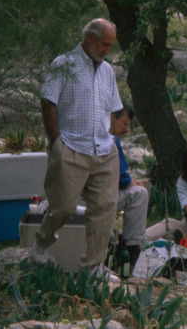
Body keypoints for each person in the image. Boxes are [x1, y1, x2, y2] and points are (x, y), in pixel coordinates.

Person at [32, 18, 124, 282]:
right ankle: (41, 243)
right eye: (105, 44)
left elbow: (112, 108)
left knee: (105, 208)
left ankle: (94, 267)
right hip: (71, 147)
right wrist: (56, 143)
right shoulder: (63, 64)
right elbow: (48, 102)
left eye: (110, 46)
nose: (107, 50)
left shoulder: (108, 71)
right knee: (62, 207)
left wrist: (112, 139)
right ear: (89, 38)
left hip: (103, 149)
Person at [109, 103, 148, 267]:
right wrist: (131, 183)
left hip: (82, 197)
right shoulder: (111, 139)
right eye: (125, 124)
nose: (127, 130)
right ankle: (131, 250)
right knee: (139, 193)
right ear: (111, 118)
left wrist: (130, 182)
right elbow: (123, 180)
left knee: (135, 189)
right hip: (95, 199)